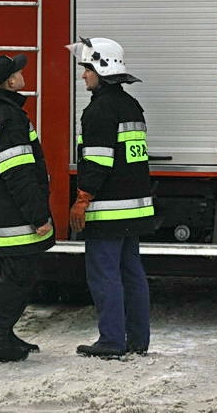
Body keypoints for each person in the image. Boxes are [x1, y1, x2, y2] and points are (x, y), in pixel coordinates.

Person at [66, 37, 155, 360]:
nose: (83, 76)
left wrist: (82, 198)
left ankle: (112, 341)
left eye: (87, 69)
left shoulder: (99, 110)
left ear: (103, 68)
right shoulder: (131, 105)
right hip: (134, 208)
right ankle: (137, 340)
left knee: (104, 276)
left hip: (108, 211)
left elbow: (98, 161)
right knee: (132, 273)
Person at [0, 54, 55, 364]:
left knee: (0, 276)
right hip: (14, 219)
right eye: (18, 72)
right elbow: (18, 173)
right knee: (18, 278)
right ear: (10, 82)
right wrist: (38, 215)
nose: (22, 75)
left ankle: (6, 334)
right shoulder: (9, 117)